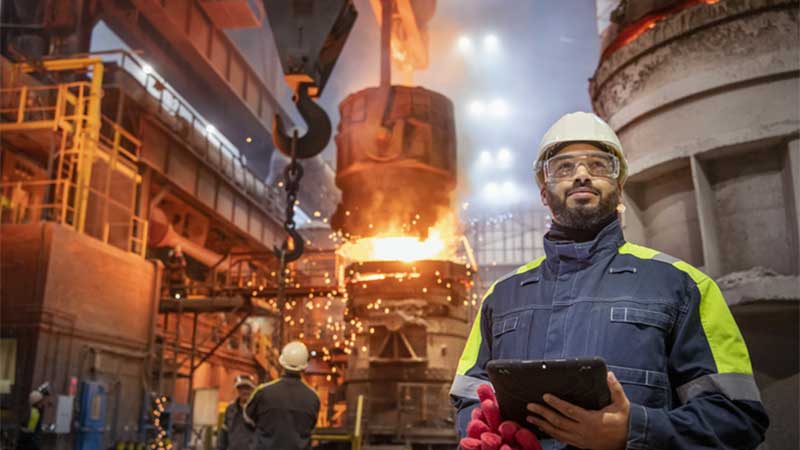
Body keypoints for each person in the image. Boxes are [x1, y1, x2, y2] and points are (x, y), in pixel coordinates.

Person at [450, 112, 769, 450]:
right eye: (564, 167)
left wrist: (633, 431)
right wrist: (485, 432)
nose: (582, 176)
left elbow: (737, 417)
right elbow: (470, 395)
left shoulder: (683, 285)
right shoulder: (501, 297)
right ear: (544, 192)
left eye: (599, 165)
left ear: (619, 186)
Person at [245, 341, 320, 450]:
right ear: (304, 367)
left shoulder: (263, 392)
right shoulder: (313, 398)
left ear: (282, 363)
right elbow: (311, 427)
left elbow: (248, 418)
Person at [217, 374, 255, 450]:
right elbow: (224, 434)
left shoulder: (258, 408)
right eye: (241, 388)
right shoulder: (230, 409)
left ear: (252, 389)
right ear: (237, 389)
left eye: (247, 388)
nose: (245, 391)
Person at [17, 384, 49, 450]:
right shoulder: (35, 413)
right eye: (41, 401)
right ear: (37, 402)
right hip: (31, 444)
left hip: (29, 443)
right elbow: (29, 431)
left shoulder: (33, 410)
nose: (43, 403)